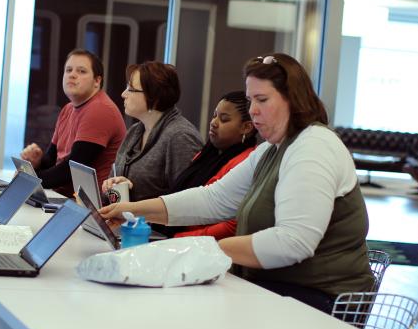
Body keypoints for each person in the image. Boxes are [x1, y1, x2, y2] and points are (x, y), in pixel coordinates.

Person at [101, 53, 373, 313]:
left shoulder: (314, 148)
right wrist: (133, 209)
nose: (253, 111)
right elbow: (214, 199)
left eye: (262, 100)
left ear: (293, 100)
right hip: (276, 288)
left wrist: (205, 249)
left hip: (319, 300)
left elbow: (294, 242)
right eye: (250, 100)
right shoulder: (272, 149)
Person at [21, 49, 125, 192]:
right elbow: (52, 160)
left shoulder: (100, 109)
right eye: (68, 70)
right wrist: (37, 162)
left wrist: (29, 179)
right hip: (63, 197)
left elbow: (72, 169)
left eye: (81, 71)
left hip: (89, 205)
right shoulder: (68, 109)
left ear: (97, 81)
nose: (73, 75)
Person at [102, 61, 202, 202]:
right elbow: (115, 182)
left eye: (131, 89)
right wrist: (111, 186)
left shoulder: (180, 137)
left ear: (154, 97)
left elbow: (187, 200)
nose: (123, 94)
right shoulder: (135, 131)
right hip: (126, 220)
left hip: (155, 223)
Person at [172, 91, 256, 240]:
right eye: (214, 115)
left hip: (205, 246)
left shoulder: (246, 161)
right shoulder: (208, 153)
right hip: (179, 235)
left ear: (246, 127)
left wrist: (180, 238)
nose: (214, 122)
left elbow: (231, 225)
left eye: (224, 119)